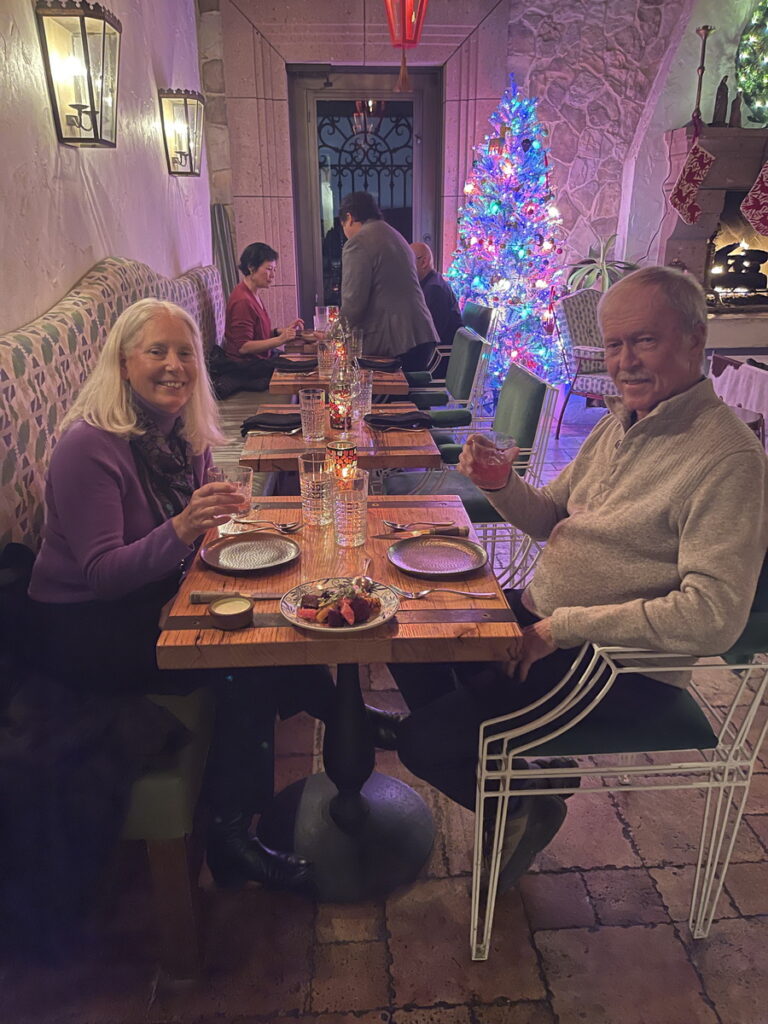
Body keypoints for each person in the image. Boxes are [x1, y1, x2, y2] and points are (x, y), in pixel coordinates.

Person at [381, 266, 768, 892]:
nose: (624, 362)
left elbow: (713, 617)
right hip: (549, 620)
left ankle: (523, 802)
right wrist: (500, 484)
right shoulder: (623, 421)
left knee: (422, 741)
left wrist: (562, 629)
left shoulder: (727, 458)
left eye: (644, 341)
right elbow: (549, 517)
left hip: (616, 667)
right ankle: (510, 767)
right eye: (614, 345)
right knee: (408, 630)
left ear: (696, 339)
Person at [26, 298, 338, 893]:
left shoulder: (179, 434)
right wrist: (185, 526)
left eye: (185, 352)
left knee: (272, 606)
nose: (175, 366)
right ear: (123, 363)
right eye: (157, 352)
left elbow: (192, 529)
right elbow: (101, 574)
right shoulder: (88, 447)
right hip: (82, 626)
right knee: (242, 656)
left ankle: (336, 708)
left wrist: (222, 509)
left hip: (147, 595)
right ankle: (231, 837)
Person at [339, 192, 439, 371]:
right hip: (420, 334)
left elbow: (353, 303)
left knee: (354, 381)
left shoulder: (358, 242)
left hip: (397, 342)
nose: (345, 233)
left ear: (350, 217)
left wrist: (333, 335)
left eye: (343, 226)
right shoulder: (394, 235)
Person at [213, 242, 304, 396]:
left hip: (259, 361)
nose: (273, 275)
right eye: (268, 269)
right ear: (251, 267)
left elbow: (256, 333)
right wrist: (280, 340)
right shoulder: (243, 300)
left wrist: (279, 332)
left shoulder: (251, 294)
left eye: (274, 270)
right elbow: (243, 347)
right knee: (301, 370)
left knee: (302, 365)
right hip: (247, 368)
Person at [410, 242, 463, 349]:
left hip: (439, 355)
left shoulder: (435, 289)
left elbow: (429, 336)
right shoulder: (432, 283)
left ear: (424, 262)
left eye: (408, 261)